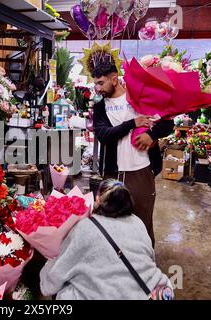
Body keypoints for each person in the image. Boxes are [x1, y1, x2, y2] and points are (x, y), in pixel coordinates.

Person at [40, 179, 173, 300]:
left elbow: (52, 281)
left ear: (98, 199)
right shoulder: (138, 222)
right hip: (154, 292)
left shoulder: (86, 227)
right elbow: (150, 259)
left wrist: (48, 266)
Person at [92, 59, 174, 246]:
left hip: (141, 172)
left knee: (143, 224)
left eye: (100, 83)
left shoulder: (139, 98)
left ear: (114, 80)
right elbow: (104, 135)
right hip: (112, 174)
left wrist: (151, 135)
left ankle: (144, 269)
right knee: (112, 227)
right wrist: (132, 123)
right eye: (95, 83)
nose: (97, 88)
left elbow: (168, 123)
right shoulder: (100, 108)